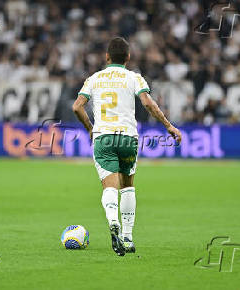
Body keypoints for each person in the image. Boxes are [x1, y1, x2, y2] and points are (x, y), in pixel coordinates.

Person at [72, 37, 182, 256]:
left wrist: (90, 129)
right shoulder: (134, 77)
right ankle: (128, 237)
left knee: (109, 187)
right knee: (128, 186)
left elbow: (77, 107)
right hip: (128, 138)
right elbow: (148, 103)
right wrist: (169, 126)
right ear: (128, 57)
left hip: (104, 137)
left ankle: (113, 222)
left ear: (107, 56)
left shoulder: (94, 79)